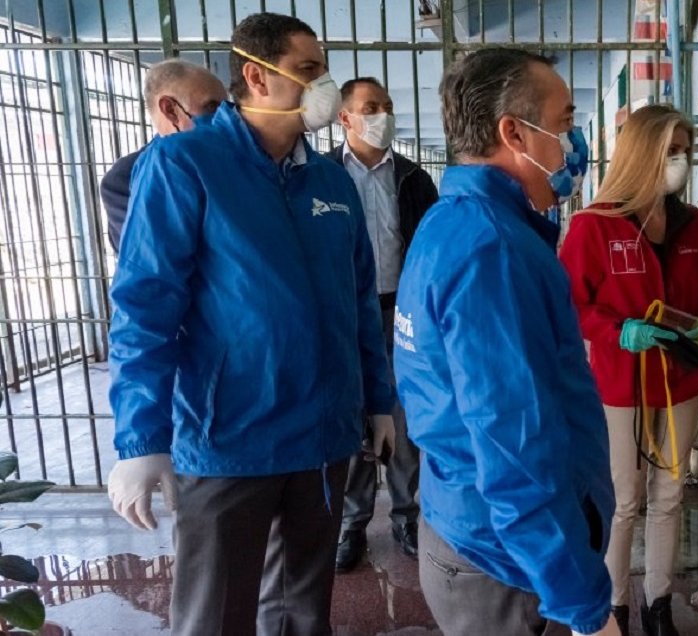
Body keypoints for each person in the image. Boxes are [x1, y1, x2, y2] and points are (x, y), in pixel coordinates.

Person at [105, 12, 396, 635]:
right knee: (216, 614)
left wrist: (376, 400)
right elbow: (145, 306)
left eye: (322, 69)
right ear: (256, 78)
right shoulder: (186, 163)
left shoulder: (330, 182)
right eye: (307, 70)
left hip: (321, 436)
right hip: (230, 437)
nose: (323, 85)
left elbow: (358, 302)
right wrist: (141, 437)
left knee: (302, 610)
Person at [393, 48, 619, 636]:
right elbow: (513, 444)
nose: (574, 144)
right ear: (513, 133)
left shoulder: (455, 221)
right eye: (565, 124)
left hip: (471, 525)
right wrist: (583, 604)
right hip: (506, 563)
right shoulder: (493, 250)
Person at [558, 104, 698, 636]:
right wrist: (617, 331)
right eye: (670, 150)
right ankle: (614, 608)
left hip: (681, 381)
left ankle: (658, 605)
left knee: (669, 495)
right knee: (623, 499)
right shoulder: (595, 225)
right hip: (621, 385)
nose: (680, 161)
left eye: (685, 151)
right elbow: (571, 305)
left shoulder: (696, 225)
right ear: (641, 152)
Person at [326, 76, 438, 568]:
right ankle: (351, 524)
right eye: (371, 107)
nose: (383, 116)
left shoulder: (414, 179)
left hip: (400, 312)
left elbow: (430, 250)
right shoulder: (322, 175)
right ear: (344, 117)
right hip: (343, 313)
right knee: (350, 418)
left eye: (387, 106)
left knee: (403, 417)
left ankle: (406, 515)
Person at [99, 59, 226, 253]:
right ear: (170, 110)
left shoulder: (232, 158)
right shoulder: (124, 178)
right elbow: (149, 253)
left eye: (227, 108)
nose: (225, 117)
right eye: (211, 108)